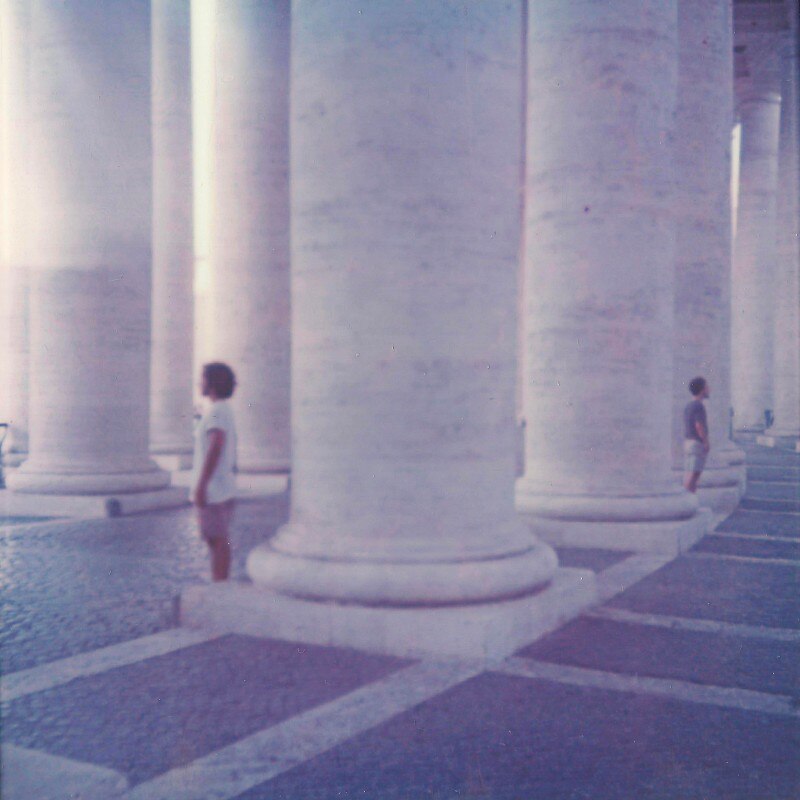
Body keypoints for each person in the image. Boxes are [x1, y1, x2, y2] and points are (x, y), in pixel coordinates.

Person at [193, 362, 238, 580]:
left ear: (212, 383)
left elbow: (216, 444)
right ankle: (220, 581)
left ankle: (220, 584)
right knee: (218, 538)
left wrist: (202, 485)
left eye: (202, 378)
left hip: (213, 489)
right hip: (222, 486)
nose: (199, 383)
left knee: (216, 539)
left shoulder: (216, 411)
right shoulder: (223, 409)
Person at [683, 376, 710, 494]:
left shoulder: (689, 406)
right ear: (702, 389)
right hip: (696, 443)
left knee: (690, 473)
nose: (709, 389)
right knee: (694, 475)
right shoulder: (699, 406)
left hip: (688, 442)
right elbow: (699, 425)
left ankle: (689, 497)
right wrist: (706, 442)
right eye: (707, 387)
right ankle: (686, 499)